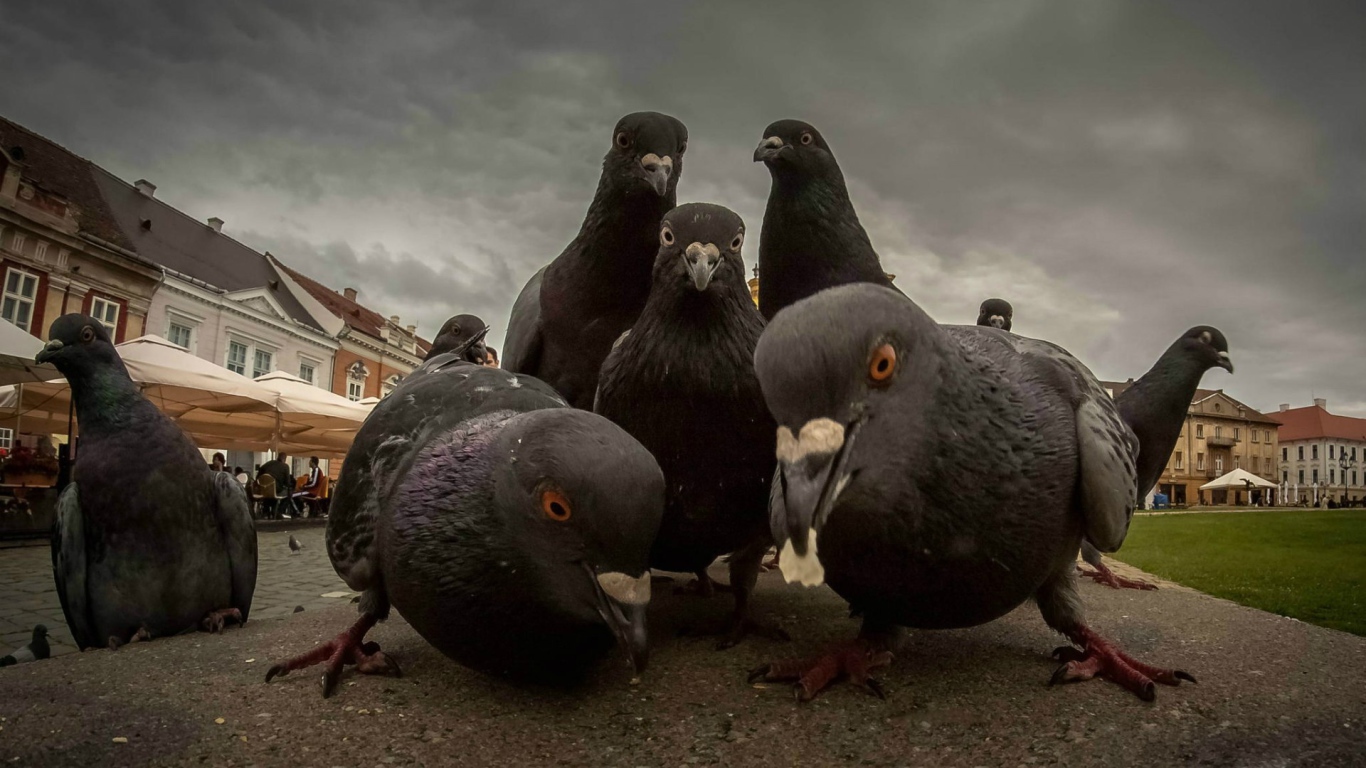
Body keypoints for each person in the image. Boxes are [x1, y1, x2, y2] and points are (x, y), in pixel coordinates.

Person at [257, 453, 295, 519]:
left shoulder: (268, 463)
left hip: (264, 490)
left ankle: (266, 511)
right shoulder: (285, 466)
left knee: (270, 495)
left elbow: (258, 474)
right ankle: (279, 511)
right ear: (284, 459)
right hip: (276, 490)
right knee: (289, 493)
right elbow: (287, 483)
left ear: (278, 457)